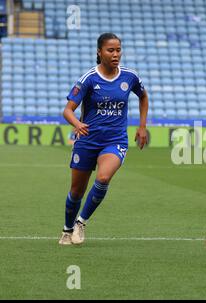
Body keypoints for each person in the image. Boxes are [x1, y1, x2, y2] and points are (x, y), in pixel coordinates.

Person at [58, 33, 149, 245]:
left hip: (115, 140)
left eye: (118, 50)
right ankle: (66, 228)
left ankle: (81, 223)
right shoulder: (89, 78)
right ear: (99, 52)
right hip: (88, 140)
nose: (116, 54)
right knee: (76, 191)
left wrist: (142, 126)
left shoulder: (130, 77)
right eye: (110, 50)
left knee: (103, 178)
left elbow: (143, 97)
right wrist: (77, 124)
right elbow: (68, 110)